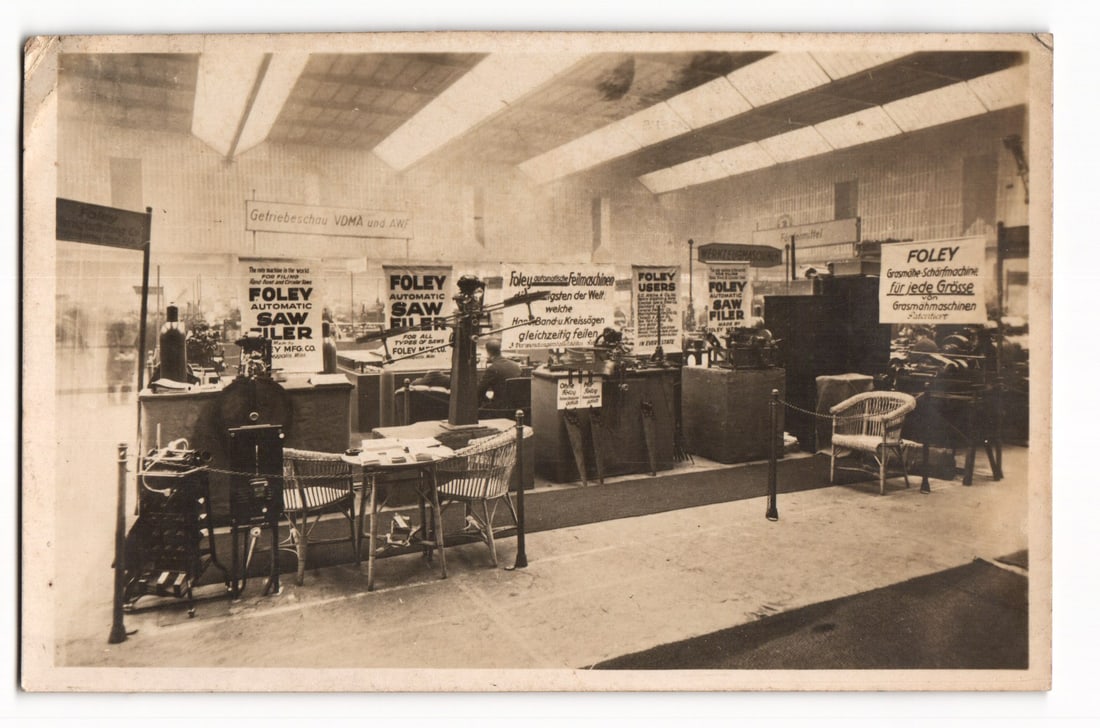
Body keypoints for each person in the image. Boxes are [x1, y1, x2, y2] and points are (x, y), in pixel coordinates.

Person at [477, 337, 521, 405]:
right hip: (516, 406)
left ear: (488, 352)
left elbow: (479, 392)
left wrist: (488, 401)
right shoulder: (516, 366)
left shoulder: (492, 369)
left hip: (499, 408)